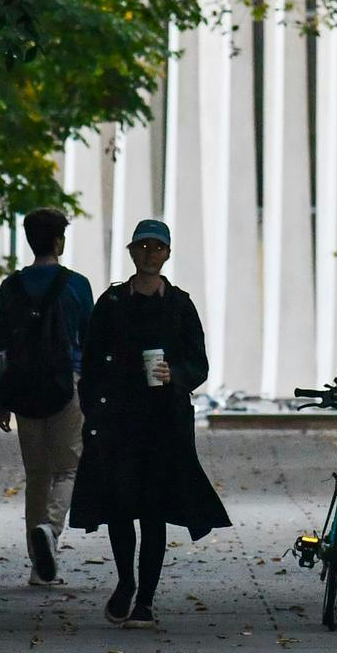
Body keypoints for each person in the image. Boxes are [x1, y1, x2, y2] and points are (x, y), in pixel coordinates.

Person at [69, 218, 231, 628]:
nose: (149, 254)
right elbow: (89, 361)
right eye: (142, 247)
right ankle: (125, 582)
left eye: (157, 248)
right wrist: (93, 409)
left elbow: (199, 362)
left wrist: (174, 374)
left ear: (168, 253)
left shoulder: (179, 305)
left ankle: (146, 599)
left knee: (154, 511)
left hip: (164, 423)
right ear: (131, 252)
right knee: (120, 507)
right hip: (118, 421)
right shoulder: (111, 304)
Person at [0, 208, 94, 587]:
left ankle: (38, 566)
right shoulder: (77, 286)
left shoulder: (10, 287)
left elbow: (0, 344)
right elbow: (92, 341)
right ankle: (50, 530)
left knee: (37, 473)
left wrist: (1, 396)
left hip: (22, 388)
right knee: (68, 468)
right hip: (67, 385)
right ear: (58, 241)